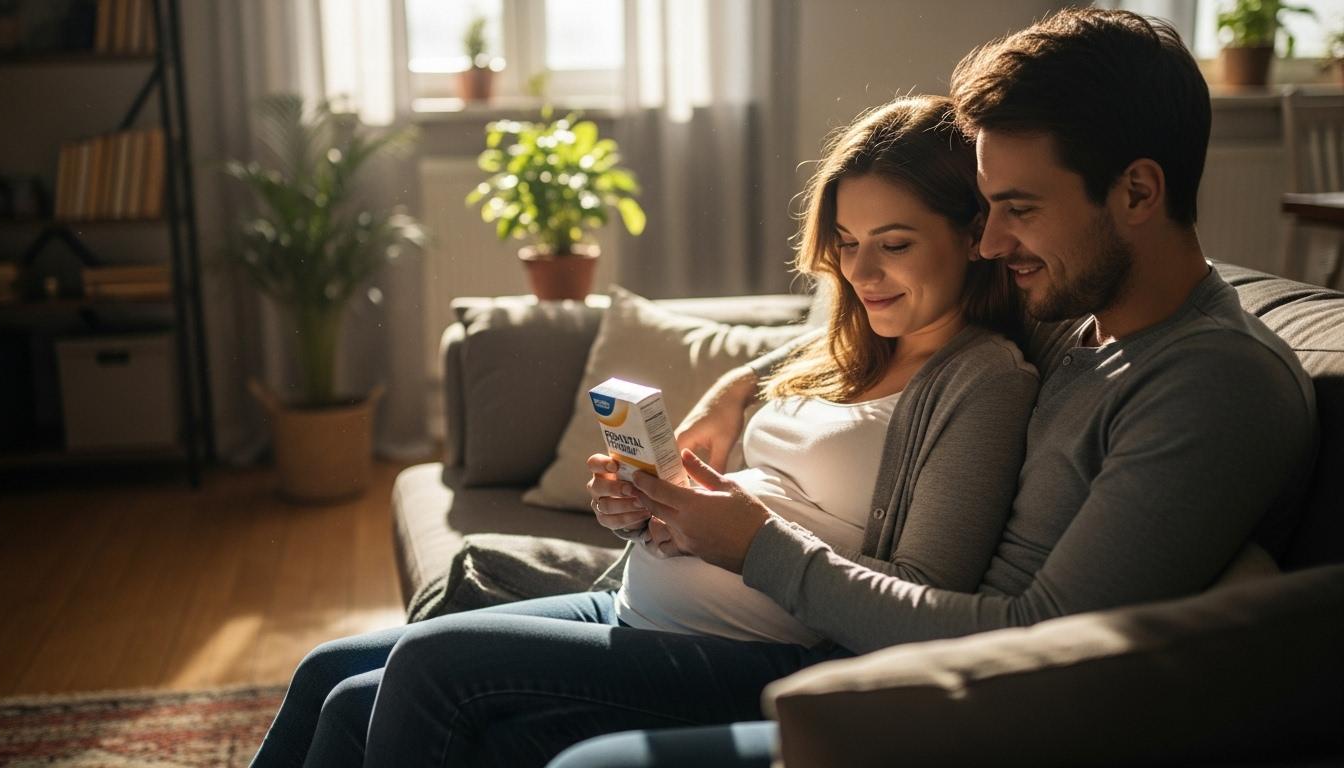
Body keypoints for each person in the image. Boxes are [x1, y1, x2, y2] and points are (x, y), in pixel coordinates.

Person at [548, 7, 1320, 766]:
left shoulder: (1215, 385)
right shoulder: (1071, 308)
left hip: (946, 716)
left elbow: (1037, 646)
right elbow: (886, 315)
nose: (989, 244)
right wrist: (737, 387)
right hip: (867, 656)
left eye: (1018, 210)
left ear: (1138, 193)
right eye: (986, 211)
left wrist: (758, 547)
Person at [250, 94, 1040, 767]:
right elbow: (759, 372)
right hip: (638, 607)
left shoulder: (984, 379)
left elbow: (920, 605)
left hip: (756, 655)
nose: (863, 275)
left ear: (973, 236)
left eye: (894, 245)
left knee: (429, 663)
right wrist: (659, 495)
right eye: (847, 246)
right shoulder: (846, 338)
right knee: (335, 678)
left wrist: (746, 537)